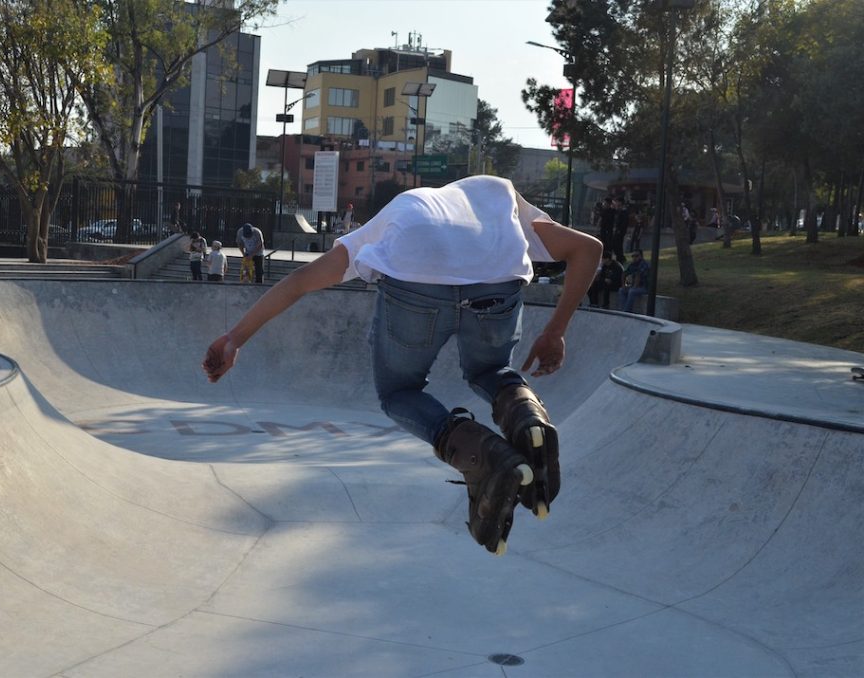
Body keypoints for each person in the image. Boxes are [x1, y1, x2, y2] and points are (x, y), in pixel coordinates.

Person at [203, 176, 602, 554]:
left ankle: (482, 454)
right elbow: (589, 249)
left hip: (415, 283)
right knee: (491, 371)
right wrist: (555, 332)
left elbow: (300, 280)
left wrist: (235, 338)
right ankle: (527, 418)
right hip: (496, 287)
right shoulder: (504, 202)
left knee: (398, 392)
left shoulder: (401, 211)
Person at [618, 248, 650, 313]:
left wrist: (634, 287)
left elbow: (638, 275)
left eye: (636, 256)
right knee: (621, 290)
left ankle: (627, 311)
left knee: (632, 291)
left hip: (644, 287)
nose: (634, 258)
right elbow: (624, 273)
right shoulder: (632, 264)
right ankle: (622, 310)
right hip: (635, 286)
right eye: (633, 256)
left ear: (641, 256)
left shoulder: (644, 264)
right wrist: (623, 285)